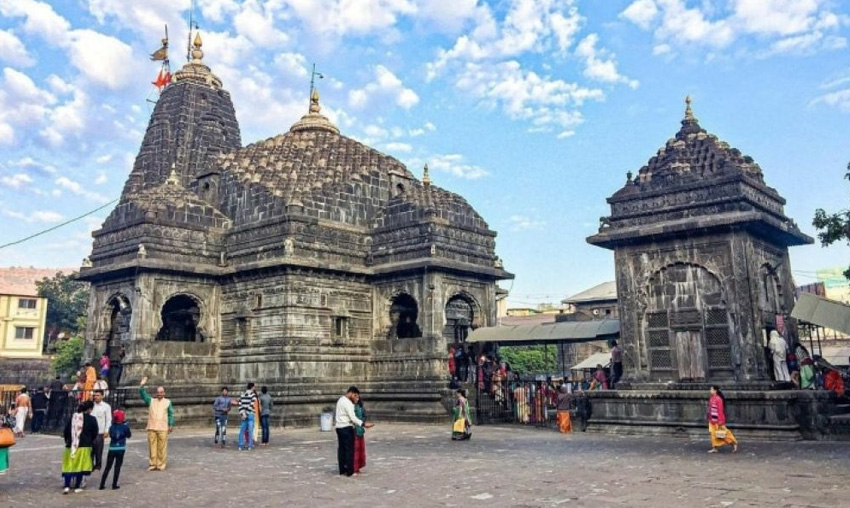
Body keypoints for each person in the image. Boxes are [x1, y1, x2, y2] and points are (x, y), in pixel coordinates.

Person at [62, 401, 99, 494]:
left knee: (69, 466)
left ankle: (66, 485)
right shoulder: (92, 419)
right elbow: (95, 432)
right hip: (84, 445)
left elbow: (66, 431)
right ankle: (77, 486)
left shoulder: (73, 417)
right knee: (80, 467)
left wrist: (68, 440)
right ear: (90, 409)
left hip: (71, 445)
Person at [139, 376, 174, 471]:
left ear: (164, 393)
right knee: (152, 446)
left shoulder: (167, 402)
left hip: (163, 427)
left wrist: (171, 424)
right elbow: (143, 395)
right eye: (158, 392)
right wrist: (142, 385)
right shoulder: (151, 401)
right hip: (152, 426)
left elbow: (171, 414)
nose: (159, 394)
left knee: (162, 447)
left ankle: (161, 464)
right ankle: (152, 464)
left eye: (161, 392)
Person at [335, 386, 364, 476]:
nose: (356, 398)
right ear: (351, 393)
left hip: (339, 427)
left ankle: (342, 469)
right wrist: (362, 424)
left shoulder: (340, 400)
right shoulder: (348, 403)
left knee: (342, 449)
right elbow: (353, 417)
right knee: (349, 449)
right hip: (346, 427)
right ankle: (349, 471)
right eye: (355, 395)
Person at [99, 409, 131, 490]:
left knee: (108, 467)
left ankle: (102, 484)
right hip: (121, 448)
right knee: (117, 467)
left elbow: (112, 435)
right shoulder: (125, 427)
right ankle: (114, 484)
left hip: (112, 448)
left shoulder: (111, 427)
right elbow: (128, 435)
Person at [707, 385, 737, 454]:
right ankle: (714, 448)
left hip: (718, 420)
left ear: (715, 391)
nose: (710, 391)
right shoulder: (712, 398)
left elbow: (720, 410)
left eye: (711, 389)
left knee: (724, 434)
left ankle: (733, 443)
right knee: (713, 434)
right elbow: (710, 409)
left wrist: (721, 420)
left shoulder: (718, 399)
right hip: (712, 420)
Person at [91, 390, 112, 471]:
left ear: (102, 396)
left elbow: (108, 419)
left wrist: (107, 430)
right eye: (95, 395)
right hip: (91, 431)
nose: (96, 397)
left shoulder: (106, 406)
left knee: (98, 450)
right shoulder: (92, 405)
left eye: (98, 395)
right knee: (90, 449)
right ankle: (90, 464)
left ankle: (98, 465)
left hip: (100, 431)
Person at [353, 398, 371, 474]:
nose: (356, 399)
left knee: (360, 449)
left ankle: (358, 467)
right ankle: (353, 468)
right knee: (354, 450)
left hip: (360, 430)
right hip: (353, 431)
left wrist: (362, 422)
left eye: (357, 397)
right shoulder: (350, 407)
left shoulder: (360, 407)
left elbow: (365, 415)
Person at [238, 383, 258, 451]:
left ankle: (240, 445)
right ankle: (250, 445)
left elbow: (240, 405)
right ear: (252, 387)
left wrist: (243, 414)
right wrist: (246, 414)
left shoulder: (242, 395)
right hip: (250, 414)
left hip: (244, 414)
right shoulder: (253, 395)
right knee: (250, 430)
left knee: (242, 430)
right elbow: (251, 405)